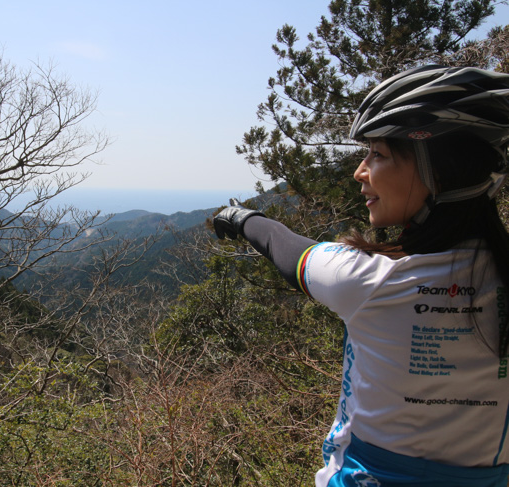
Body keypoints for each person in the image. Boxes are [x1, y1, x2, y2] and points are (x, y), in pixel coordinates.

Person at [213, 65, 509, 486]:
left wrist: (242, 218)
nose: (360, 171)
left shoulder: (372, 279)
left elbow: (288, 249)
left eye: (379, 154)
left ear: (437, 171)